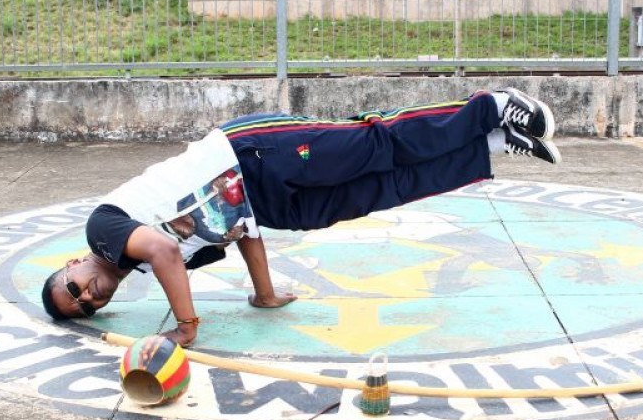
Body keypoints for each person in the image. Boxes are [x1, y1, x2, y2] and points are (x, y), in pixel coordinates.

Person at [41, 88, 560, 346]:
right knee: (376, 191)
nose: (89, 296)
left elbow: (163, 247)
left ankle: (489, 109)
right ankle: (489, 147)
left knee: (374, 146)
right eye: (86, 309)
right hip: (262, 203)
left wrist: (186, 326)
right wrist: (264, 294)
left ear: (72, 264)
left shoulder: (104, 230)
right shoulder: (152, 268)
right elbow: (239, 231)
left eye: (75, 288)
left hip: (251, 153)